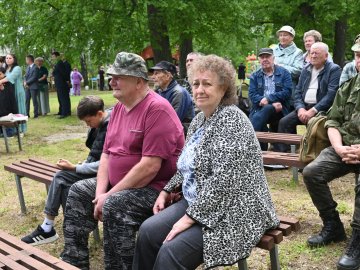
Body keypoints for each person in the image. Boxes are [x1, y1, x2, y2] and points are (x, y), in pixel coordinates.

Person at [133, 55, 279, 270]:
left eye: (207, 84)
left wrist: (189, 218)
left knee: (171, 252)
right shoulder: (200, 119)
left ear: (223, 88)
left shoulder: (232, 120)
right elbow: (187, 165)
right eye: (196, 83)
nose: (199, 89)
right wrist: (166, 190)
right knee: (147, 232)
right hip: (199, 199)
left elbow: (224, 181)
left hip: (236, 209)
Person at [60, 52, 184, 270]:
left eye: (119, 76)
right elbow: (106, 154)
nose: (112, 81)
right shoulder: (117, 109)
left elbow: (150, 167)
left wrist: (109, 195)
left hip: (156, 189)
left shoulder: (157, 109)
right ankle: (74, 262)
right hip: (120, 186)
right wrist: (100, 194)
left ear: (138, 81)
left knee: (116, 205)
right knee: (79, 191)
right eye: (111, 76)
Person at [21, 96, 111, 246]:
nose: (88, 125)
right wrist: (81, 164)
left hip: (106, 176)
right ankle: (69, 235)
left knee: (61, 177)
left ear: (100, 114)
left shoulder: (110, 127)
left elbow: (106, 163)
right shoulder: (101, 124)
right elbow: (96, 155)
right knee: (65, 186)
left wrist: (75, 167)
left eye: (88, 121)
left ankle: (48, 227)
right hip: (95, 171)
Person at [302, 73, 360, 270]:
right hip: (344, 147)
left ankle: (358, 239)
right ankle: (333, 226)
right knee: (312, 173)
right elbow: (332, 121)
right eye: (358, 55)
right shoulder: (349, 86)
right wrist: (339, 148)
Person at [274, 42, 341, 152]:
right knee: (284, 122)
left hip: (322, 110)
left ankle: (310, 157)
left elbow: (331, 95)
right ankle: (286, 156)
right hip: (304, 107)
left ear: (326, 56)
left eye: (317, 53)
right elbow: (298, 92)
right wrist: (300, 108)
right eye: (311, 53)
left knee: (313, 125)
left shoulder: (334, 69)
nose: (313, 55)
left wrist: (313, 110)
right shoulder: (306, 69)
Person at [249, 48, 292, 150]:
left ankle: (250, 139)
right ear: (259, 60)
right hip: (261, 108)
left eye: (267, 57)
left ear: (273, 58)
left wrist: (269, 99)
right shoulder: (255, 75)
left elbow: (287, 92)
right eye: (262, 57)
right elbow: (252, 95)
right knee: (266, 111)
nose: (265, 59)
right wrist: (268, 103)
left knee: (262, 113)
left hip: (280, 110)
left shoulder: (284, 73)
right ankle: (262, 151)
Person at [151, 61, 194, 133]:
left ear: (168, 76)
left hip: (181, 135)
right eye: (153, 74)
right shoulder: (159, 91)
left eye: (157, 73)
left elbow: (172, 121)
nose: (153, 77)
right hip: (165, 131)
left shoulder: (178, 93)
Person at [273, 25, 303, 104]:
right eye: (280, 35)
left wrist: (280, 67)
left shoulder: (298, 52)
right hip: (271, 87)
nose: (282, 37)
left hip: (288, 88)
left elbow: (298, 71)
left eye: (285, 35)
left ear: (292, 37)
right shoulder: (272, 50)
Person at [0, 54, 27, 134]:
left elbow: (11, 77)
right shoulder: (6, 69)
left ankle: (21, 130)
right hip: (9, 92)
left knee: (19, 109)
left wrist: (0, 81)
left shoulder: (17, 68)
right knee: (12, 109)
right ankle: (13, 130)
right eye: (7, 58)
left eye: (10, 58)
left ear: (14, 59)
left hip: (17, 90)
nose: (8, 59)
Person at [52, 51, 71, 118]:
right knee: (60, 98)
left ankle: (65, 113)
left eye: (53, 56)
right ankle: (62, 111)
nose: (52, 58)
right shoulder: (58, 63)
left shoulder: (60, 63)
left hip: (61, 83)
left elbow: (64, 73)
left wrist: (67, 80)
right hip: (59, 83)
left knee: (63, 98)